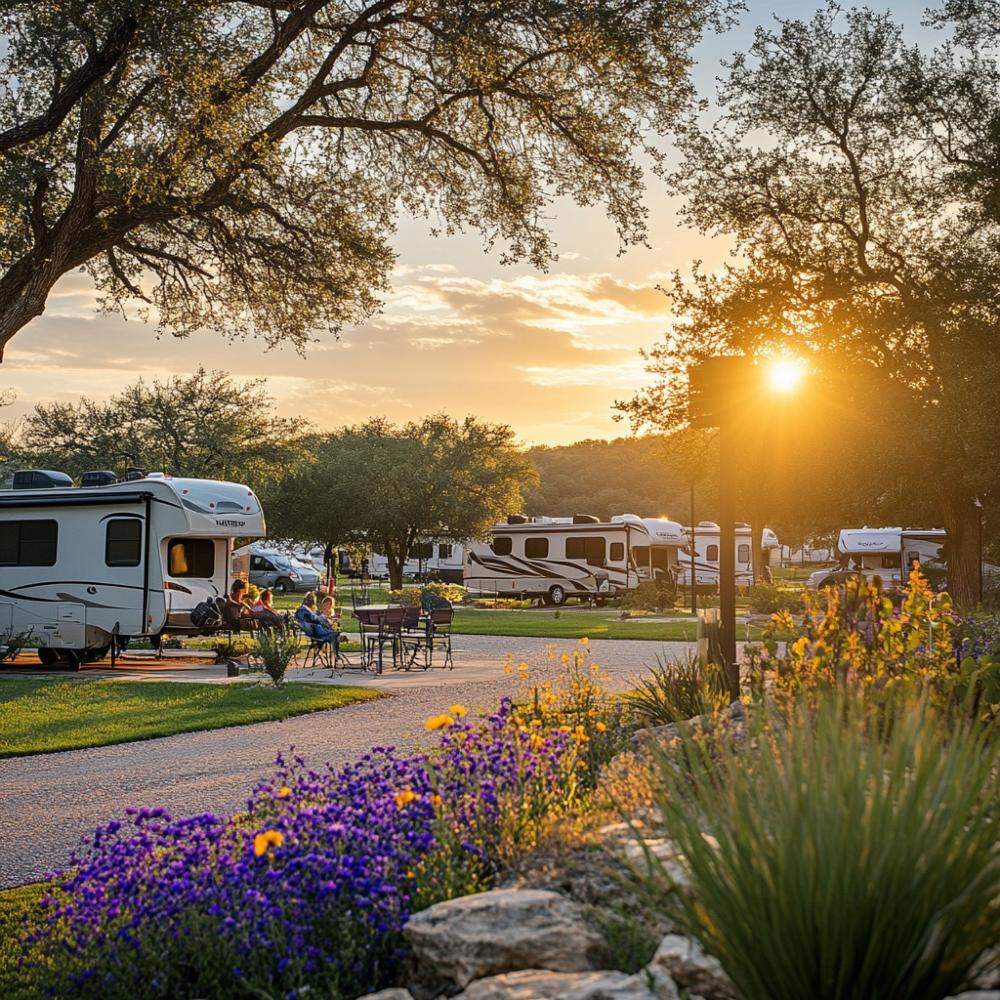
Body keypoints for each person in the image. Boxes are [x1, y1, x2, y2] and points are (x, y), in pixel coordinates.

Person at [295, 591, 340, 656]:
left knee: (331, 630)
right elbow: (315, 619)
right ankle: (336, 656)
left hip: (313, 631)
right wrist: (324, 618)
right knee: (335, 634)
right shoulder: (304, 610)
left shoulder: (304, 609)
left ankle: (325, 652)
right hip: (314, 633)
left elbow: (314, 618)